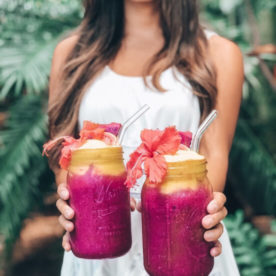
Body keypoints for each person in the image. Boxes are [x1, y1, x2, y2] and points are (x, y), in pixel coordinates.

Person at [47, 0, 243, 275]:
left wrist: (209, 209)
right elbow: (64, 157)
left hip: (182, 245)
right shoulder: (70, 54)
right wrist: (70, 202)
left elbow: (214, 157)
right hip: (97, 245)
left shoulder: (219, 53)